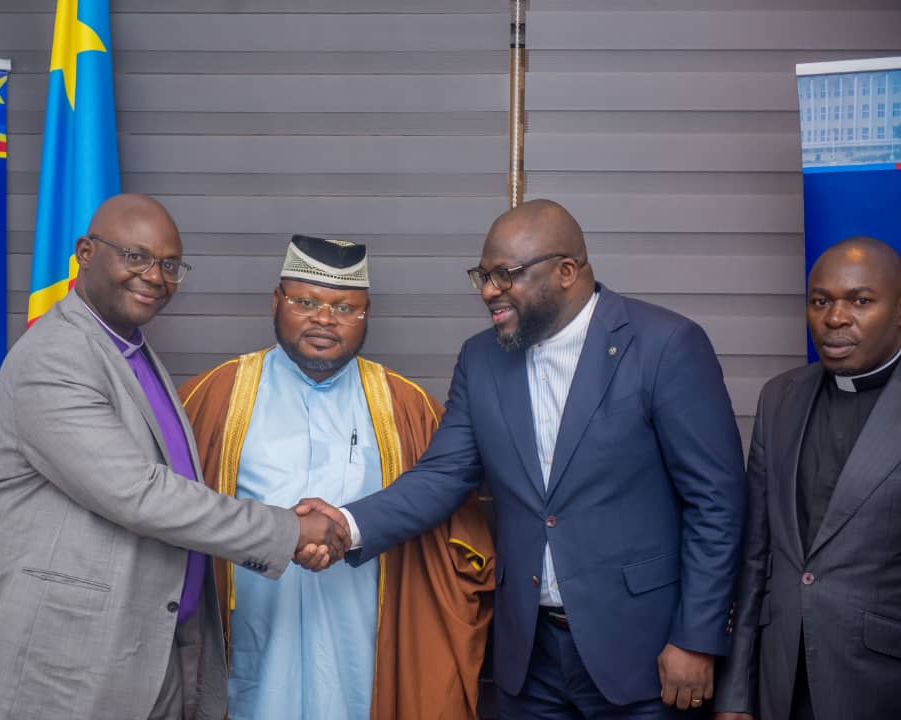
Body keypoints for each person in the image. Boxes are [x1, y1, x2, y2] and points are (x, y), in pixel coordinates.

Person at [302, 199, 747, 717]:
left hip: (643, 653)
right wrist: (346, 525)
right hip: (529, 658)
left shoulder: (665, 345)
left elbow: (716, 502)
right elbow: (443, 475)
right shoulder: (481, 358)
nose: (488, 291)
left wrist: (696, 637)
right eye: (483, 276)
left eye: (505, 275)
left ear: (566, 272)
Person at [0, 194, 348, 720]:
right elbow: (138, 493)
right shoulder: (56, 356)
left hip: (150, 647)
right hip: (66, 657)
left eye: (169, 265)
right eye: (136, 256)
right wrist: (290, 531)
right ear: (85, 253)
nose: (154, 277)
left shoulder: (129, 348)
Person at [178, 234, 495, 720]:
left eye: (345, 308)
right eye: (306, 302)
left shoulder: (409, 408)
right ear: (276, 301)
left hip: (365, 642)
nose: (325, 319)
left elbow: (456, 535)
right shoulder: (213, 398)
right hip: (253, 635)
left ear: (367, 315)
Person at [713, 237, 901, 720]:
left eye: (860, 301)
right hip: (782, 679)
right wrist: (735, 694)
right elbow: (755, 557)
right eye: (820, 302)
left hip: (879, 683)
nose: (835, 318)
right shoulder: (780, 398)